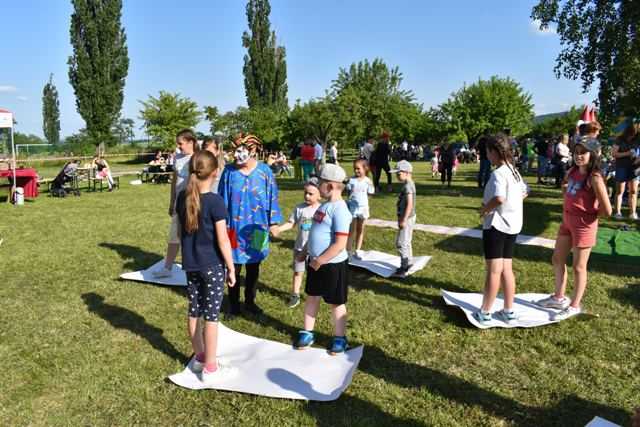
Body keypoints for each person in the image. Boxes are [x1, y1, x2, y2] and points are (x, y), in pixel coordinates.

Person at [175, 150, 236, 383]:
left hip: (191, 265)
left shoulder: (183, 197)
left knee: (194, 310)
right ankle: (210, 368)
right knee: (211, 317)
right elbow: (223, 240)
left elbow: (181, 233)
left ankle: (200, 356)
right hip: (212, 266)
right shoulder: (215, 202)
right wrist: (230, 267)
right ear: (215, 172)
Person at [536, 137, 612, 319]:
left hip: (583, 227)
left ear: (593, 155)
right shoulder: (572, 171)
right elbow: (567, 190)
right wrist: (566, 190)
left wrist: (589, 215)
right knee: (557, 259)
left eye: (583, 153)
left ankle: (575, 305)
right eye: (576, 152)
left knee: (579, 267)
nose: (579, 156)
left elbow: (607, 210)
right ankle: (558, 297)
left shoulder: (594, 177)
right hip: (567, 222)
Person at [218, 134, 282, 316]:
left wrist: (274, 221)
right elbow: (221, 200)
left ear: (253, 150)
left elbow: (272, 197)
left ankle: (250, 302)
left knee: (254, 266)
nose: (236, 156)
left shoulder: (264, 172)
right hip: (232, 228)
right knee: (233, 266)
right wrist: (219, 224)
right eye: (234, 152)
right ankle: (233, 305)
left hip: (258, 227)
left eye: (241, 151)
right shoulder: (229, 172)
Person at [293, 164, 352, 355]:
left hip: (333, 265)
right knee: (312, 296)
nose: (318, 187)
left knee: (336, 302)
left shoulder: (340, 209)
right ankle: (307, 332)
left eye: (321, 183)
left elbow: (340, 243)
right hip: (315, 261)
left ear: (332, 186)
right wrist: (305, 251)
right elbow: (314, 232)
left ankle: (340, 337)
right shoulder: (324, 206)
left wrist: (321, 260)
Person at [474, 134, 528, 324]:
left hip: (497, 226)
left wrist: (484, 210)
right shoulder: (514, 171)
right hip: (512, 225)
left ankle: (485, 312)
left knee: (494, 270)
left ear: (494, 152)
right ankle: (508, 310)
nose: (487, 156)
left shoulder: (498, 174)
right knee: (507, 268)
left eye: (488, 152)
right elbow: (524, 192)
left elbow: (499, 198)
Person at [153, 129, 200, 278]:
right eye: (178, 144)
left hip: (194, 203)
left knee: (194, 236)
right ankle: (167, 268)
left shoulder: (198, 157)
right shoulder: (178, 157)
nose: (179, 147)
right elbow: (175, 181)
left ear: (191, 142)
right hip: (179, 203)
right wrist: (172, 200)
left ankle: (196, 267)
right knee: (175, 235)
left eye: (181, 144)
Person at [271, 178, 322, 308]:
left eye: (311, 194)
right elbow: (291, 223)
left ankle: (315, 295)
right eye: (305, 192)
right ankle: (295, 294)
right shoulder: (300, 208)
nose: (307, 196)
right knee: (298, 272)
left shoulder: (322, 210)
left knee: (315, 273)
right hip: (300, 248)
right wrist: (279, 229)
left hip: (316, 250)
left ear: (320, 195)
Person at [391, 160, 416, 277]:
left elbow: (410, 204)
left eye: (398, 173)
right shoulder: (409, 184)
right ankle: (409, 262)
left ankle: (404, 266)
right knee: (406, 241)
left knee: (401, 243)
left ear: (406, 172)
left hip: (407, 218)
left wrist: (404, 219)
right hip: (409, 217)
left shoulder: (408, 186)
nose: (396, 176)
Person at [346, 159, 375, 256]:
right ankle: (348, 250)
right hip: (352, 208)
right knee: (351, 230)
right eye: (355, 169)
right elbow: (348, 192)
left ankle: (357, 250)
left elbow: (370, 193)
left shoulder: (368, 181)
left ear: (365, 168)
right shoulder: (351, 180)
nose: (356, 171)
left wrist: (364, 203)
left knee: (360, 230)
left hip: (363, 209)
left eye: (358, 168)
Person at [612, 123, 638, 220]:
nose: (633, 136)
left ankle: (633, 213)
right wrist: (628, 153)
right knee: (620, 191)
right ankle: (618, 212)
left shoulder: (637, 139)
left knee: (633, 191)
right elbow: (614, 154)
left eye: (635, 134)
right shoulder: (619, 139)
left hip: (634, 167)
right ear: (628, 132)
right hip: (621, 167)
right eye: (632, 134)